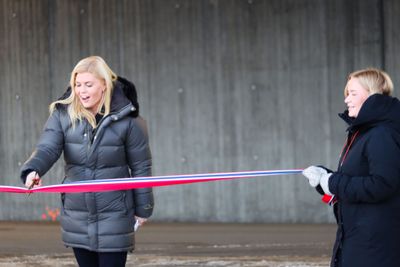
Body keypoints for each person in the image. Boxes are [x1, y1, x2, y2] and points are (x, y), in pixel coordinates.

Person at [20, 56, 154, 267]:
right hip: (77, 213)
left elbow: (141, 166)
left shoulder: (129, 120)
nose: (81, 91)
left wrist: (144, 207)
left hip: (115, 213)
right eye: (77, 84)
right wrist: (33, 170)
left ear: (104, 84)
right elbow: (47, 148)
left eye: (88, 85)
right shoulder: (62, 115)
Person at [302, 68, 400, 267]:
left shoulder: (381, 134)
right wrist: (325, 179)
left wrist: (333, 182)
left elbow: (382, 184)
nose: (347, 100)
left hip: (374, 247)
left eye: (353, 93)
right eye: (347, 94)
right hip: (359, 239)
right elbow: (356, 179)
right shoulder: (363, 133)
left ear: (373, 95)